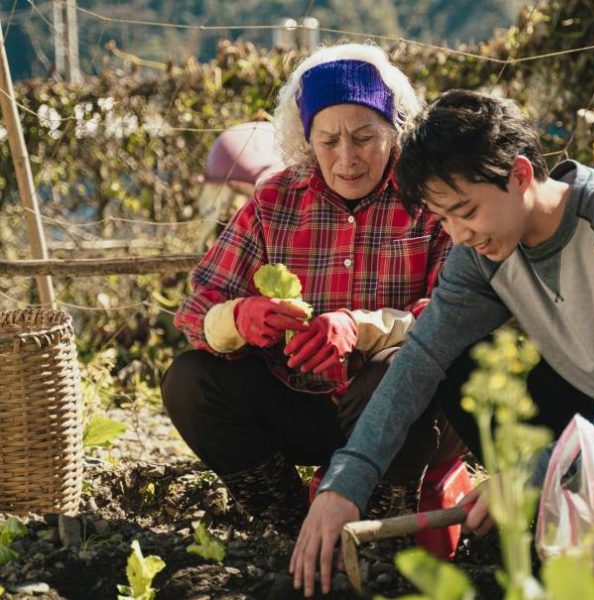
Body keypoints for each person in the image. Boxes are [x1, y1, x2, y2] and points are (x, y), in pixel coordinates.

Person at [289, 89, 594, 595]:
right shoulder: (483, 252)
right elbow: (421, 358)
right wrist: (345, 484)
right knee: (458, 360)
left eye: (466, 211)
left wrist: (531, 474)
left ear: (520, 175)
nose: (458, 235)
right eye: (443, 221)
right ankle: (564, 521)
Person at [161, 44, 469, 538]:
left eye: (364, 137)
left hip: (408, 418)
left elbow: (453, 315)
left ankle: (379, 530)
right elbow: (198, 307)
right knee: (190, 380)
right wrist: (238, 318)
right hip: (305, 406)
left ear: (394, 133)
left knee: (399, 371)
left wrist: (360, 327)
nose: (347, 158)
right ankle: (289, 524)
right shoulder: (275, 199)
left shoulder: (427, 200)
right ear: (307, 141)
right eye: (328, 141)